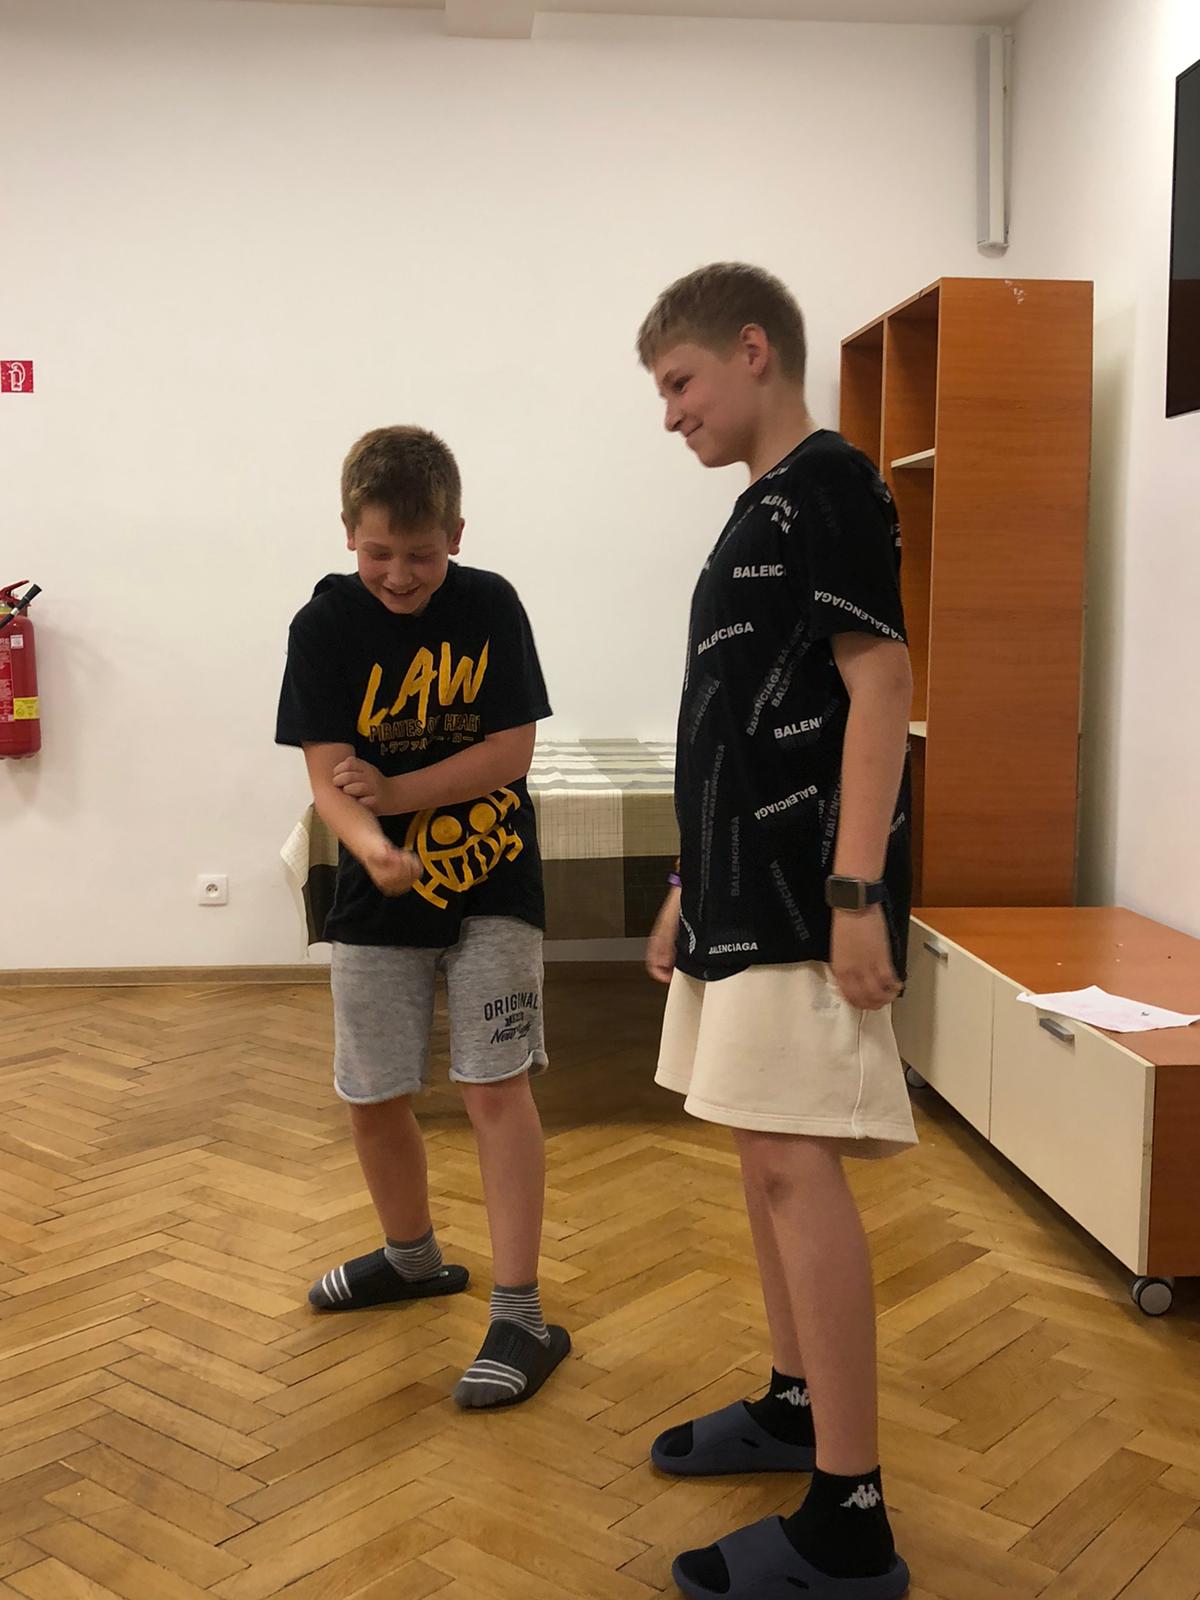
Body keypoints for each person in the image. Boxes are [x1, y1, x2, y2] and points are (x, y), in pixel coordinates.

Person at [638, 264, 916, 1600]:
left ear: (752, 350)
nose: (670, 414)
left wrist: (857, 890)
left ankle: (850, 1519)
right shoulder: (761, 506)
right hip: (738, 896)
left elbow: (882, 684)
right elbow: (733, 721)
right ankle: (798, 1403)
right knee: (763, 1156)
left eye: (679, 382)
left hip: (808, 900)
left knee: (799, 1167)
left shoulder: (832, 485)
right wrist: (690, 883)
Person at [276, 424, 568, 1410]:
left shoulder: (491, 605)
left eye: (422, 555)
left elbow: (510, 754)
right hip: (375, 894)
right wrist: (372, 846)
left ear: (457, 536)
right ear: (347, 533)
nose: (399, 575)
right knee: (370, 1093)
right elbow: (328, 775)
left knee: (495, 1088)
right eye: (378, 553)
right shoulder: (322, 626)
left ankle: (521, 1310)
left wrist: (396, 795)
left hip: (493, 883)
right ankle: (410, 1257)